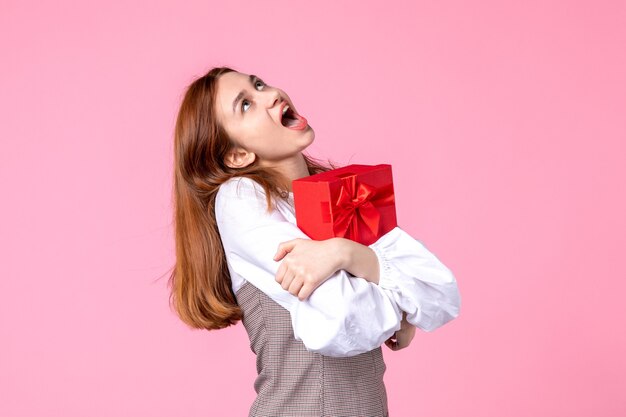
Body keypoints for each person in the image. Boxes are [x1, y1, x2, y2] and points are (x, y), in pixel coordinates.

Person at [168, 66, 461, 417]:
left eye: (259, 84)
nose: (271, 94)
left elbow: (439, 292)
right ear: (237, 156)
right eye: (245, 105)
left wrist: (345, 253)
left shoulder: (340, 193)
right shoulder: (241, 198)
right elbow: (343, 318)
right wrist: (400, 303)